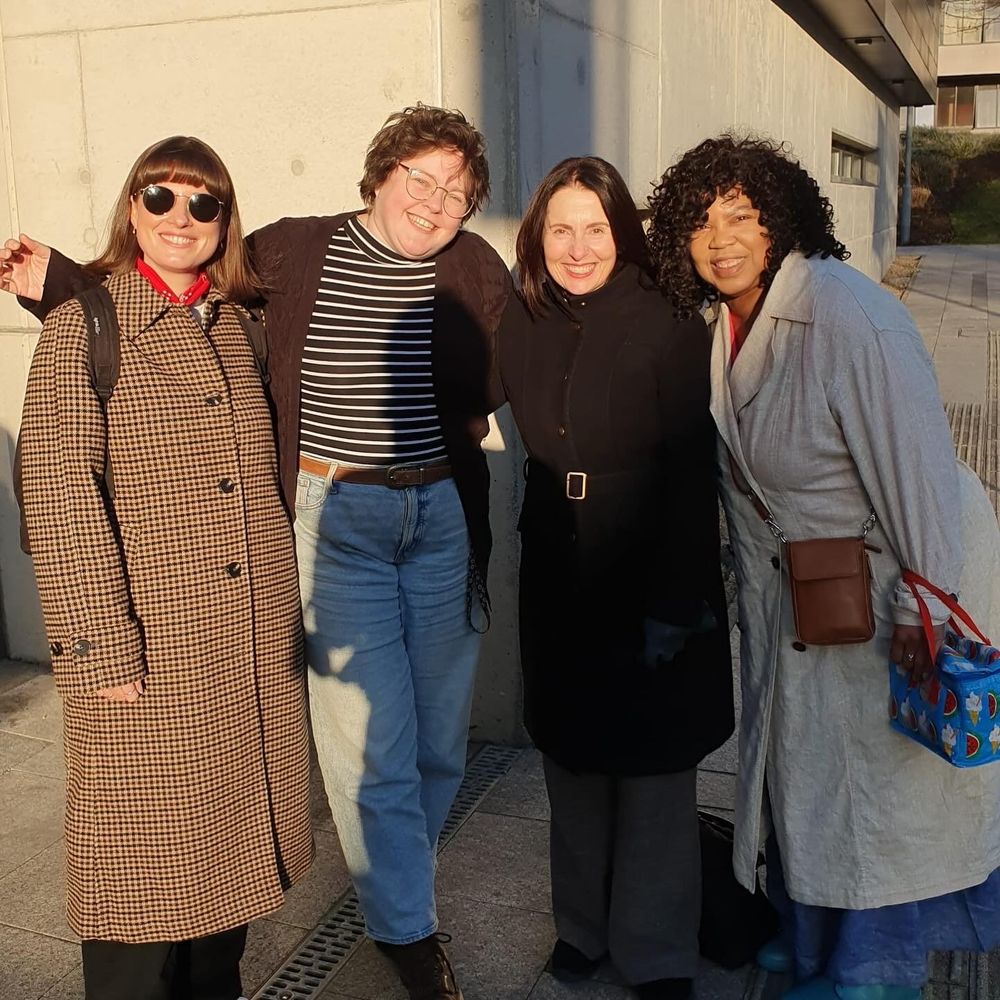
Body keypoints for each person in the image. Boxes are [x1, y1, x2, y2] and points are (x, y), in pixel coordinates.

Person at [3, 105, 512, 1000]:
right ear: (381, 176)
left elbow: (195, 289)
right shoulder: (296, 250)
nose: (435, 203)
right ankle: (406, 923)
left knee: (432, 744)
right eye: (420, 180)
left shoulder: (469, 267)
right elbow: (69, 460)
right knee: (364, 749)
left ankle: (383, 888)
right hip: (331, 514)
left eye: (457, 192)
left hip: (433, 515)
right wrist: (69, 289)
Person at [646, 133, 1000, 1000]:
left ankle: (866, 971)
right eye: (699, 223)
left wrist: (930, 609)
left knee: (881, 787)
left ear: (783, 220)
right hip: (801, 590)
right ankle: (809, 924)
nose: (720, 238)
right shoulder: (725, 322)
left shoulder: (847, 312)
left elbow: (918, 469)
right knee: (804, 771)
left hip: (890, 580)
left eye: (741, 215)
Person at [12, 136, 313, 1000]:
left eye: (203, 203)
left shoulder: (238, 329)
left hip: (247, 661)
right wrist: (100, 652)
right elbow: (62, 495)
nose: (182, 218)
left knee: (226, 904)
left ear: (226, 221)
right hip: (147, 659)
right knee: (138, 902)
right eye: (160, 198)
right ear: (131, 208)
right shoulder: (85, 327)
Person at [494, 157, 734, 1000]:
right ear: (537, 236)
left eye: (595, 227)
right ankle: (583, 931)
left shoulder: (668, 319)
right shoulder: (520, 318)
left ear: (621, 232)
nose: (578, 246)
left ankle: (658, 949)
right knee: (574, 757)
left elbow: (688, 466)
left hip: (648, 560)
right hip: (560, 562)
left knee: (654, 769)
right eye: (560, 228)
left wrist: (676, 602)